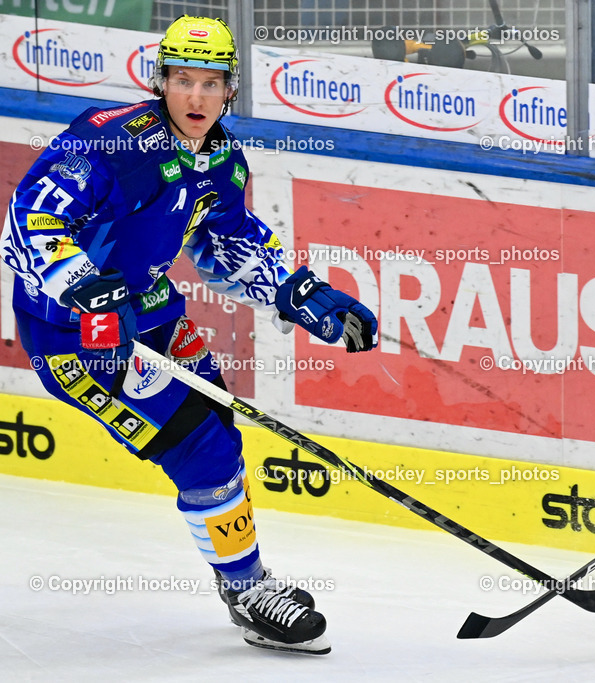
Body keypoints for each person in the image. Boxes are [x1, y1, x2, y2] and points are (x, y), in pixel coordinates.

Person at [0, 15, 378, 655]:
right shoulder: (109, 143)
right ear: (161, 83)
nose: (196, 97)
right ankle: (249, 589)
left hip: (154, 316)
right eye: (182, 81)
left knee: (219, 436)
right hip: (78, 339)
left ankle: (245, 581)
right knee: (199, 449)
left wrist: (298, 294)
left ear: (231, 89)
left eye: (211, 83)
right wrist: (83, 286)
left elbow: (226, 243)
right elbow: (29, 222)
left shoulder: (223, 157)